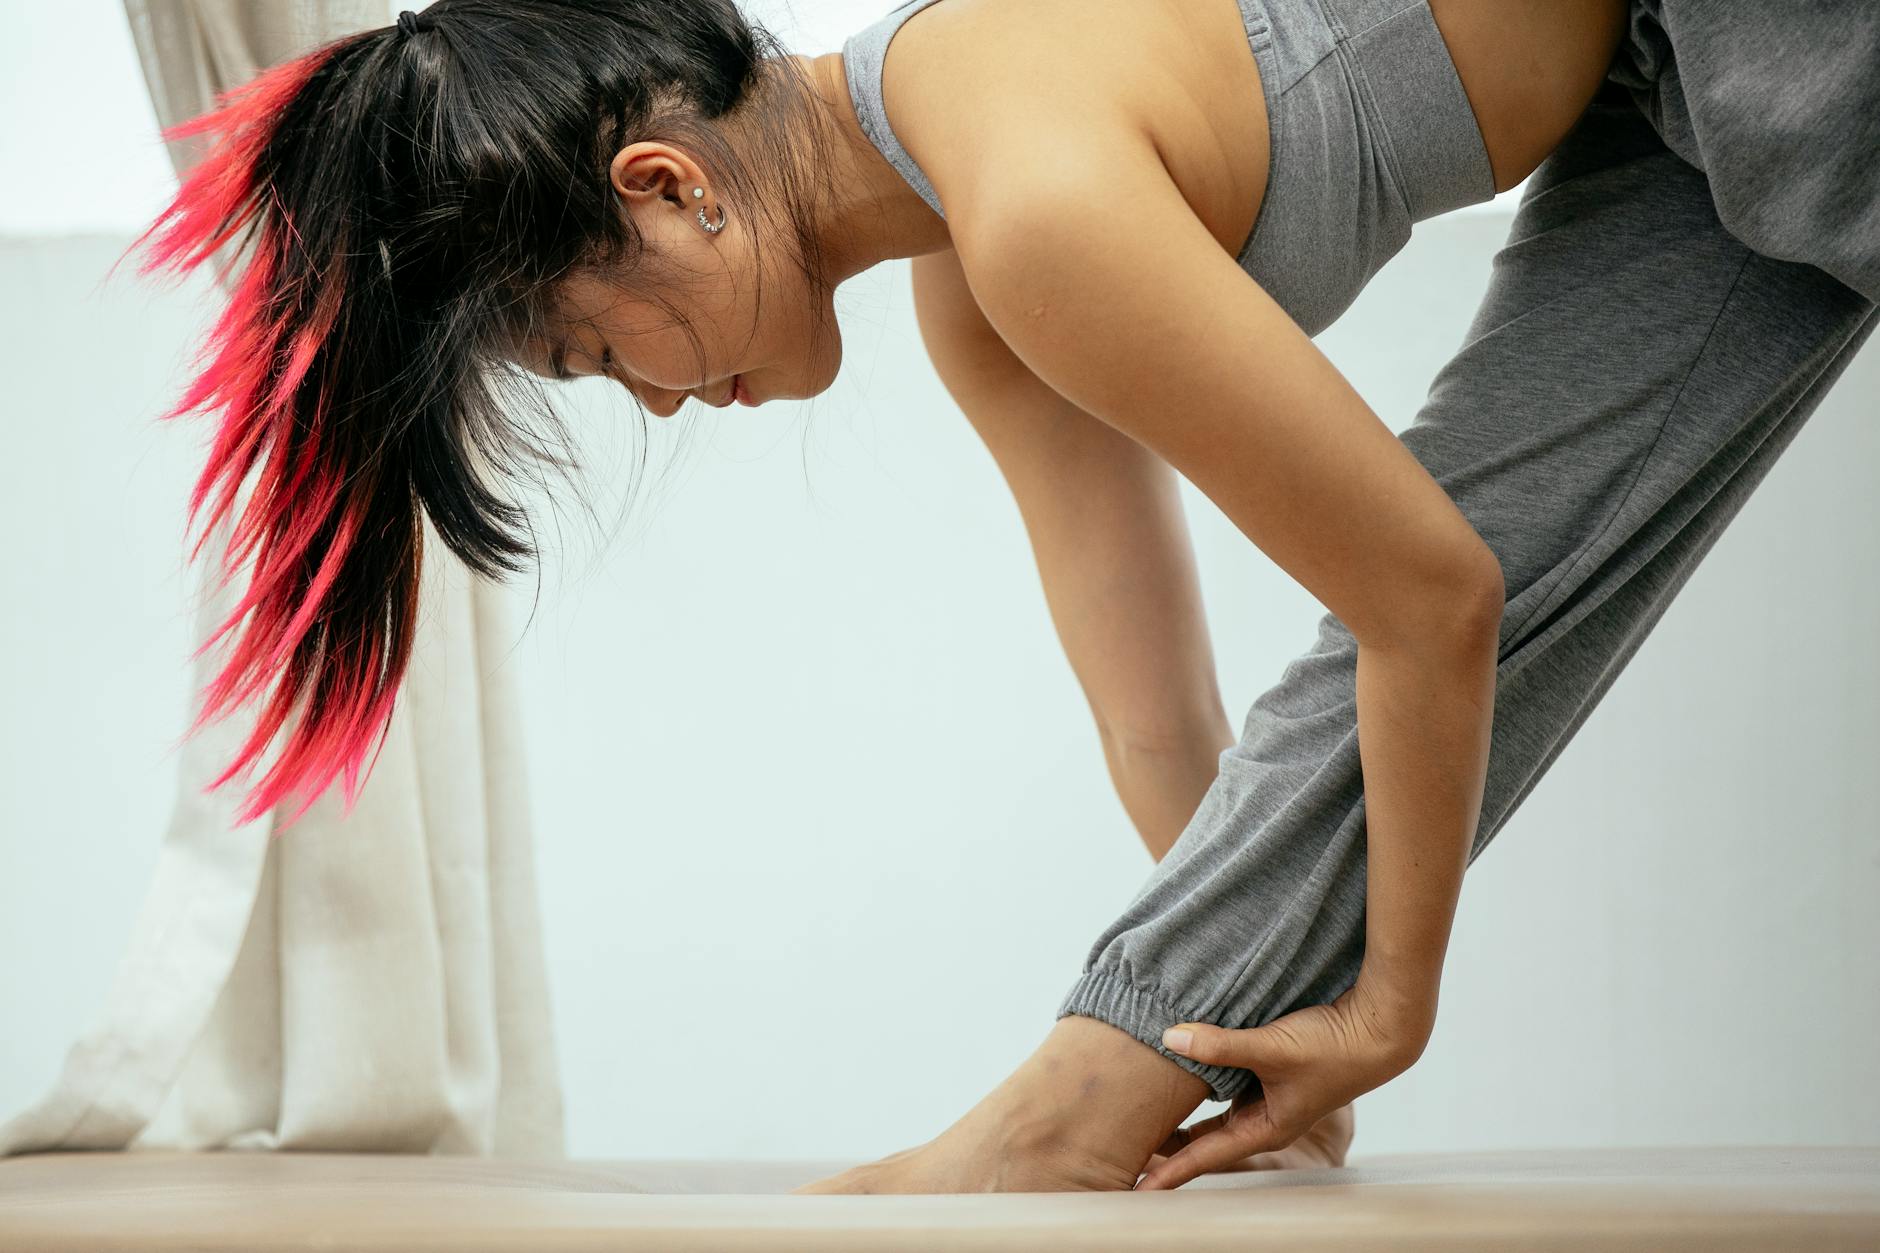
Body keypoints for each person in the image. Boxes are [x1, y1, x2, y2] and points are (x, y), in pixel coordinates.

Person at [125, 0, 1876, 1194]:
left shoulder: (1034, 207)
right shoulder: (978, 273)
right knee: (1404, 644)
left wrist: (1386, 1004)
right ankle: (1102, 1080)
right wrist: (1238, 1035)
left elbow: (1433, 597)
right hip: (1657, 110)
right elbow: (1157, 711)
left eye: (600, 351)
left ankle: (1075, 1103)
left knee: (1417, 599)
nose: (656, 402)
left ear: (665, 190)